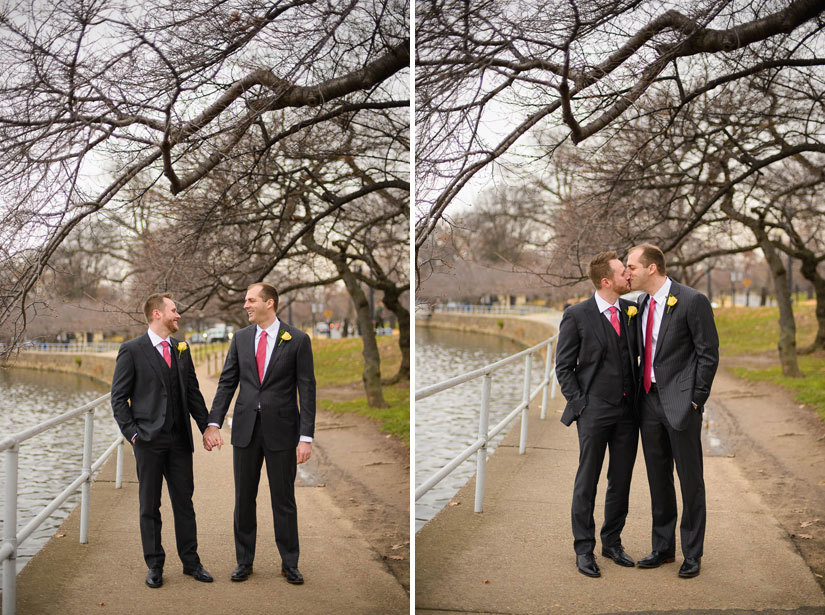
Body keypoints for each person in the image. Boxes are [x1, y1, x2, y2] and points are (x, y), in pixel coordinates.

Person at [203, 282, 316, 585]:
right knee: (244, 498)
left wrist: (306, 437)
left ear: (270, 303)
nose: (246, 305)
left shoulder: (298, 340)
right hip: (245, 430)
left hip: (283, 432)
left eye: (250, 300)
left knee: (284, 499)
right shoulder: (240, 339)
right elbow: (227, 383)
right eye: (245, 300)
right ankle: (244, 561)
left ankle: (289, 563)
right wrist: (213, 422)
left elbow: (307, 389)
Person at [625, 244, 719, 578]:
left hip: (682, 405)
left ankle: (692, 554)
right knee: (658, 479)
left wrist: (696, 400)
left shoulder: (692, 301)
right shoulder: (640, 303)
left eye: (631, 267)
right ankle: (663, 549)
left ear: (651, 268)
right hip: (648, 402)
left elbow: (708, 353)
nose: (626, 273)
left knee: (690, 481)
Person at [110, 293, 213, 588]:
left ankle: (191, 563)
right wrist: (133, 434)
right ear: (157, 313)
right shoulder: (131, 350)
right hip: (148, 441)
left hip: (180, 440)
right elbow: (118, 399)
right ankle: (155, 565)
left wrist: (207, 427)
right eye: (174, 310)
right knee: (149, 506)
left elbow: (192, 391)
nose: (178, 314)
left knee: (184, 503)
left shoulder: (181, 348)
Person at [555, 251, 640, 578]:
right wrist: (580, 404)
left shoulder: (631, 310)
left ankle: (612, 542)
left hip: (627, 413)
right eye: (622, 273)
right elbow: (563, 367)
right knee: (587, 481)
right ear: (606, 281)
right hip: (593, 412)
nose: (628, 276)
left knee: (621, 480)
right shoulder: (577, 315)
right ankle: (583, 549)